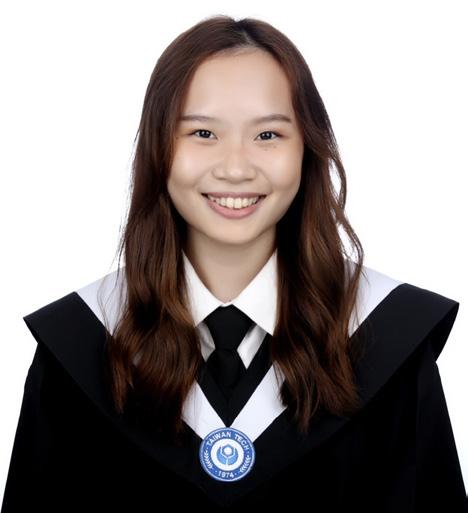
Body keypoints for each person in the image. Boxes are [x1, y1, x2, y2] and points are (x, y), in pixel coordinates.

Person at [1, 14, 467, 513]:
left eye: (268, 135)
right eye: (202, 133)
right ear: (158, 149)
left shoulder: (387, 340)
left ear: (308, 149)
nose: (236, 167)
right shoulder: (80, 347)